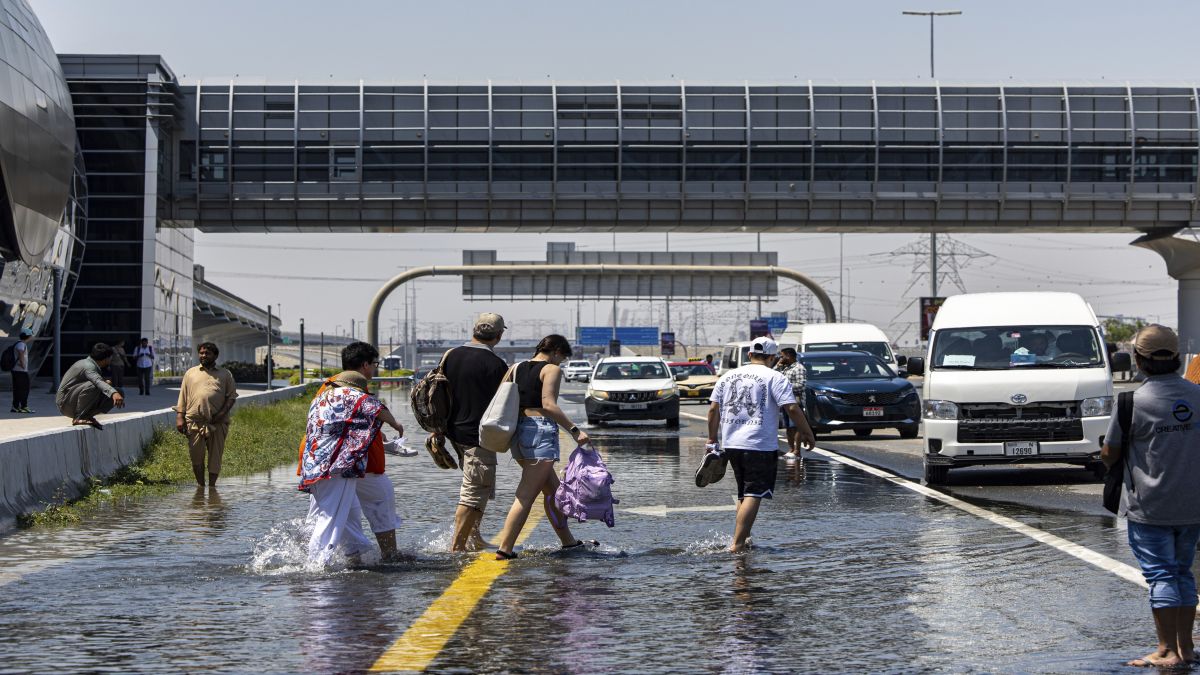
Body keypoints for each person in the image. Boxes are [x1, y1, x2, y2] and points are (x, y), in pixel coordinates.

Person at [1102, 324, 1200, 669]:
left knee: (1161, 575)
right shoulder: (1198, 395)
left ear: (1139, 361)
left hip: (1151, 506)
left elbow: (1110, 452)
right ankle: (1186, 648)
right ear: (1176, 358)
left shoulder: (1132, 401)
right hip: (1193, 505)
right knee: (1183, 573)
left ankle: (1165, 650)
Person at [298, 342, 404, 565]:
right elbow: (375, 407)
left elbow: (345, 423)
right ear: (365, 365)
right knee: (332, 517)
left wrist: (377, 434)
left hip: (323, 465)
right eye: (374, 365)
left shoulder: (324, 394)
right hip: (336, 467)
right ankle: (316, 565)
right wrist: (396, 425)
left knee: (345, 513)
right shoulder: (349, 393)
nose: (375, 370)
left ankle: (357, 557)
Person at [707, 337, 815, 553]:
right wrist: (807, 432)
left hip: (731, 444)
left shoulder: (727, 376)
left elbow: (712, 410)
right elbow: (792, 408)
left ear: (749, 355)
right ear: (773, 357)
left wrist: (712, 440)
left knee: (743, 494)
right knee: (755, 493)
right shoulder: (775, 377)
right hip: (758, 444)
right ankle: (736, 545)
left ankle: (744, 539)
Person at [495, 334, 594, 560]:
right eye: (562, 358)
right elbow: (548, 404)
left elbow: (501, 398)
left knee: (553, 492)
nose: (561, 363)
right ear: (557, 352)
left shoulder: (515, 368)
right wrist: (575, 431)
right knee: (526, 494)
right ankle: (505, 549)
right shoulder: (551, 370)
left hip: (518, 432)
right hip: (540, 431)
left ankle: (568, 542)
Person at [439, 312, 510, 552]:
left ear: (474, 330)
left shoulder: (451, 355)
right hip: (478, 436)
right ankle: (457, 547)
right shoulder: (496, 365)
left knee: (481, 488)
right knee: (473, 492)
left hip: (454, 432)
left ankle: (474, 538)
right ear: (499, 336)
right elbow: (504, 404)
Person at [175, 342, 238, 488]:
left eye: (207, 353)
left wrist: (221, 415)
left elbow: (231, 397)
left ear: (215, 356)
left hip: (217, 423)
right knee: (196, 457)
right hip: (194, 422)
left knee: (215, 457)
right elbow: (182, 396)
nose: (203, 355)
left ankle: (212, 487)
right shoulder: (190, 373)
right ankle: (201, 486)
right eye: (201, 353)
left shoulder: (225, 374)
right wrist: (180, 417)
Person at [56, 343, 126, 428]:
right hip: (65, 403)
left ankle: (87, 415)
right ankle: (78, 417)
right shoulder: (88, 366)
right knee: (97, 386)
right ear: (106, 358)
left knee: (119, 391)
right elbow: (96, 381)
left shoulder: (93, 365)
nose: (111, 360)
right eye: (111, 358)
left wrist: (112, 389)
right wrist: (113, 393)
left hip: (73, 400)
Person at [774, 347, 806, 459]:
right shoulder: (784, 368)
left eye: (782, 356)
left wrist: (784, 387)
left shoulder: (798, 368)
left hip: (795, 402)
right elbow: (772, 376)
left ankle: (797, 451)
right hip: (784, 402)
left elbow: (801, 386)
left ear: (789, 356)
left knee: (796, 426)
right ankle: (791, 449)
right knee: (788, 427)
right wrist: (778, 365)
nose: (780, 358)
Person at [10, 328, 34, 414]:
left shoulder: (19, 343)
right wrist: (23, 364)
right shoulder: (21, 345)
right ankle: (24, 407)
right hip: (20, 371)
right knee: (24, 389)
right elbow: (20, 354)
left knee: (18, 389)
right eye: (31, 335)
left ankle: (15, 407)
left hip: (16, 370)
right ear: (27, 336)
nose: (31, 336)